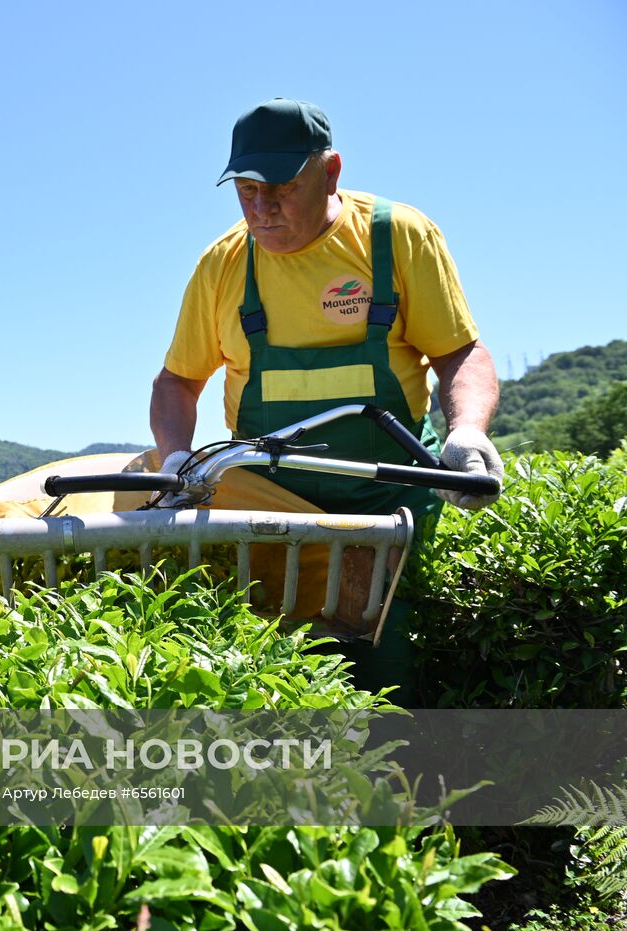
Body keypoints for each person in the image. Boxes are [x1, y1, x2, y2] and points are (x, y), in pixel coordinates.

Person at [149, 99, 503, 693]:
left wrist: (468, 428)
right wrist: (174, 459)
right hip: (270, 506)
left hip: (391, 498)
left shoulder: (395, 237)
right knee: (278, 679)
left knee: (393, 675)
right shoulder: (223, 265)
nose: (261, 209)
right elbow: (178, 382)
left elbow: (459, 353)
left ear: (330, 172)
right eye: (245, 189)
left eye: (282, 187)